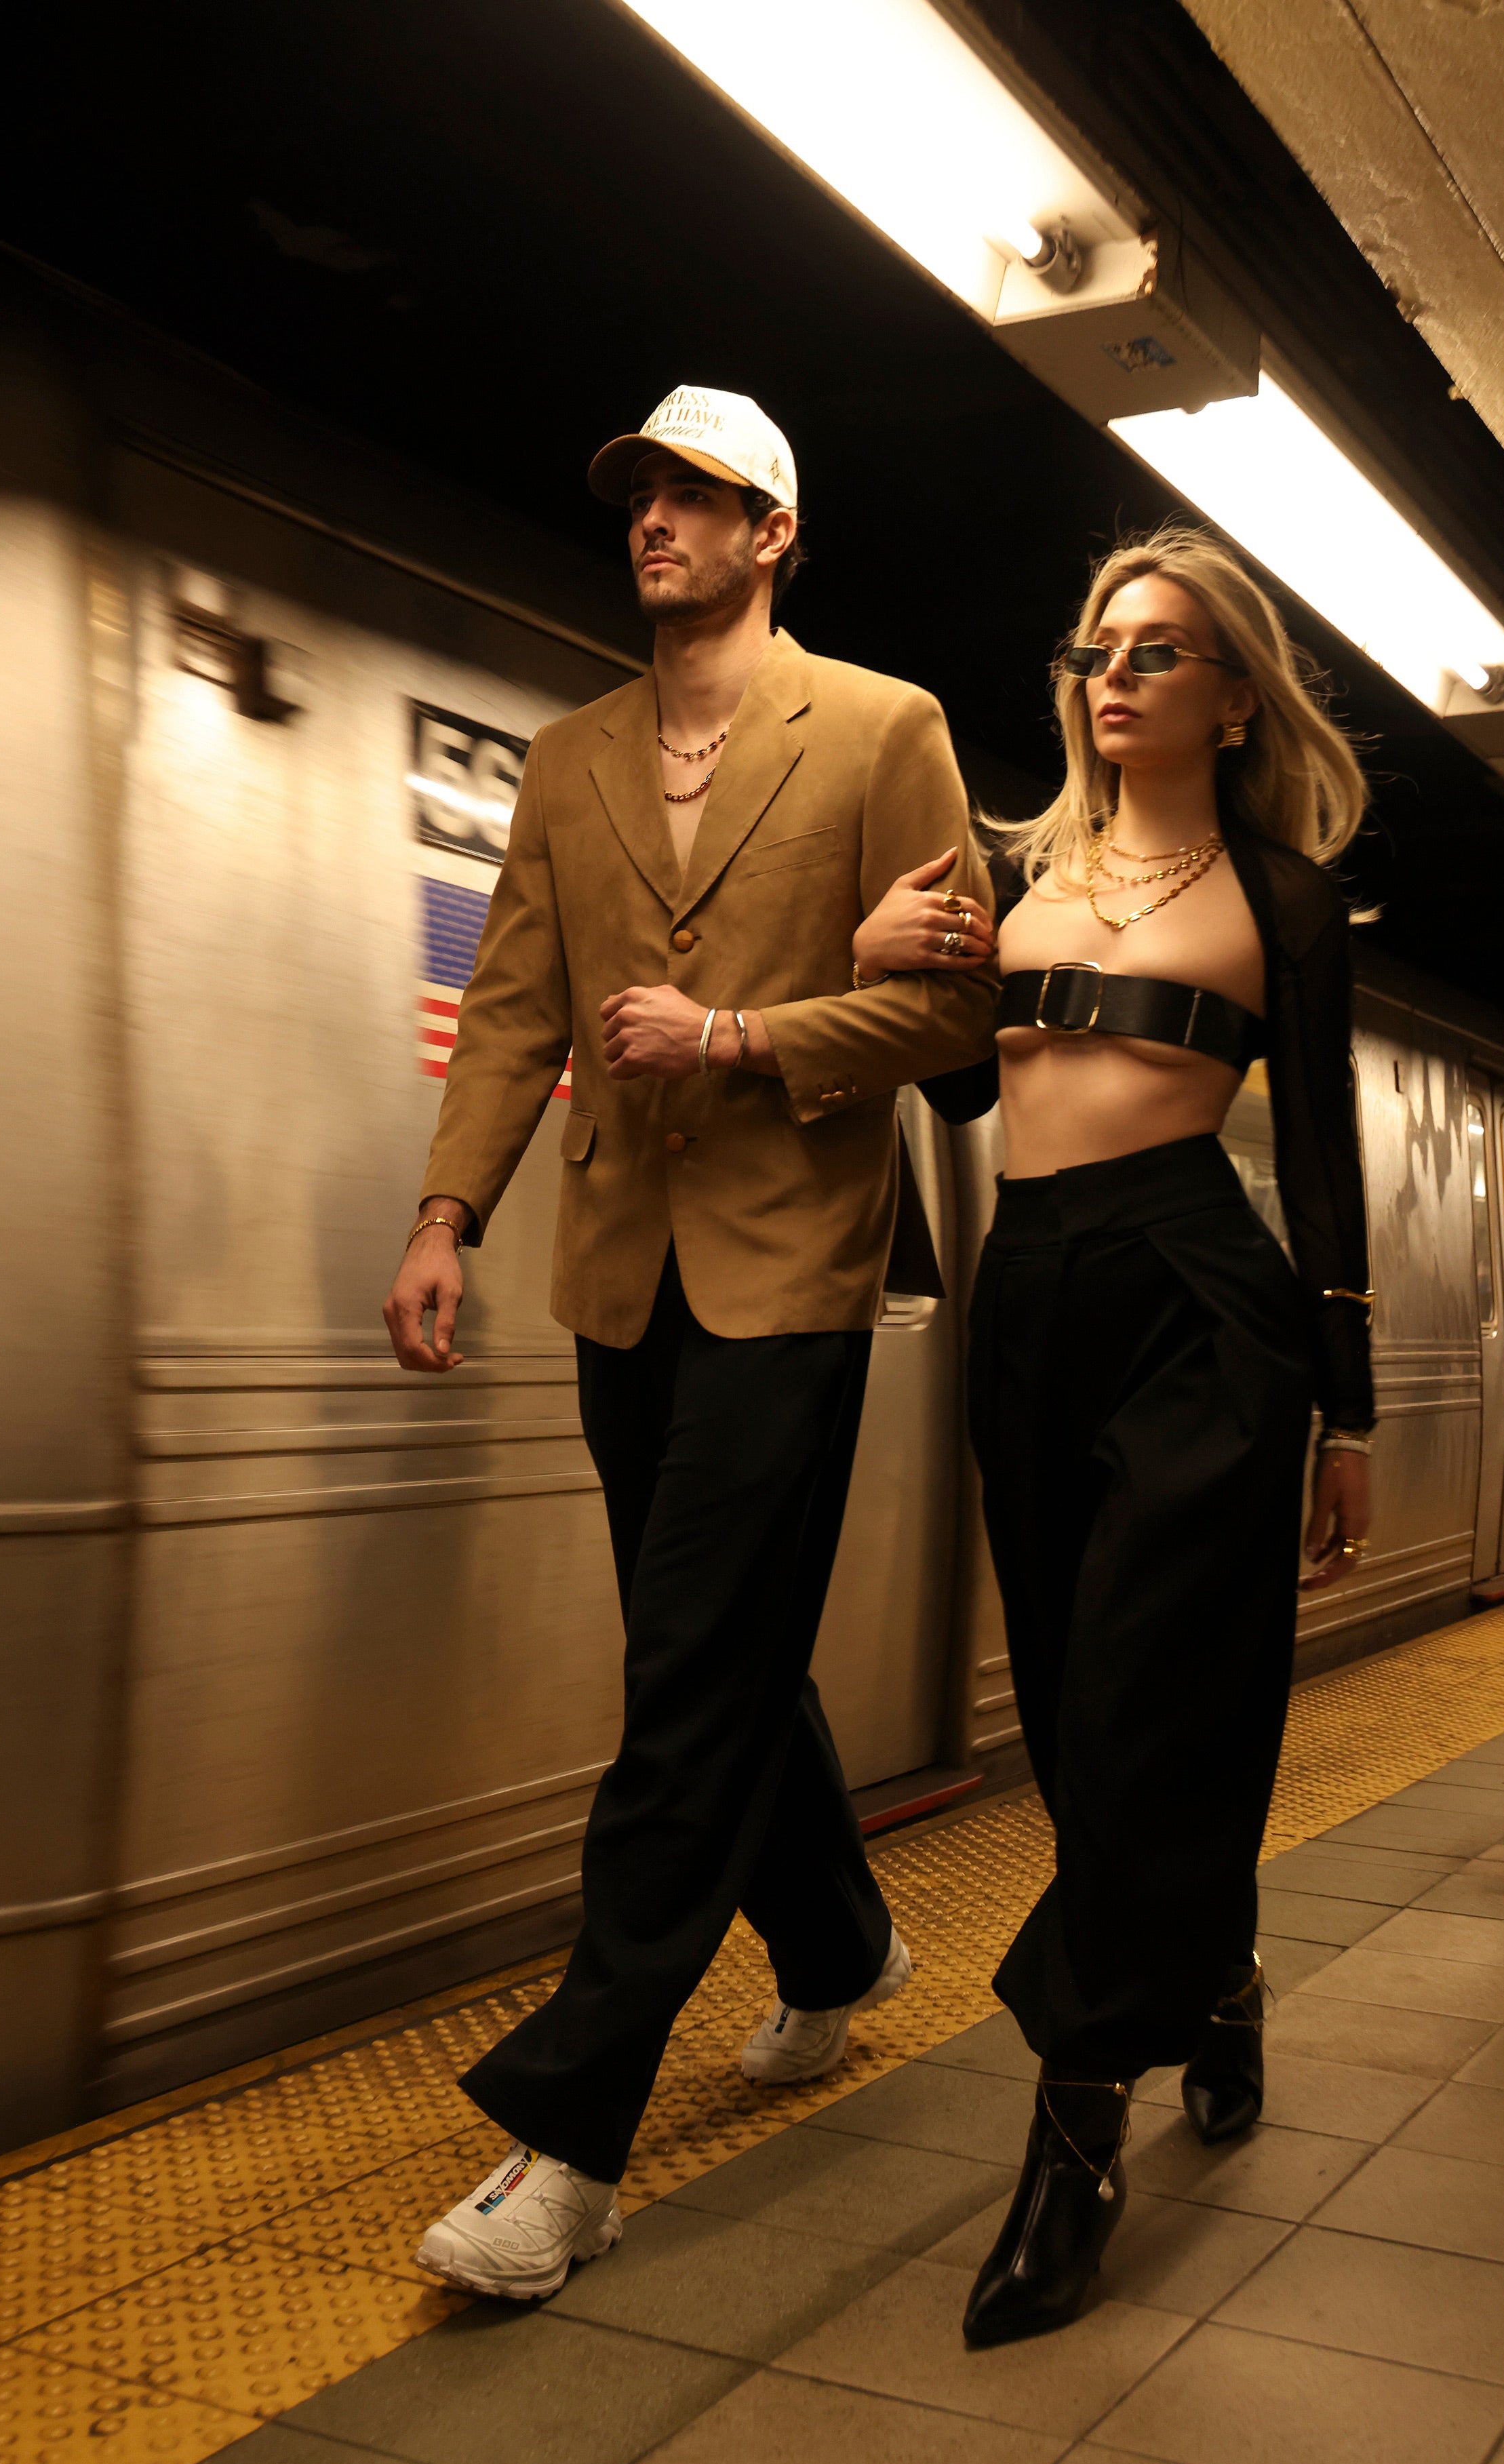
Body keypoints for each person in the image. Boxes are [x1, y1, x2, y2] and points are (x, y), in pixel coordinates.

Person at [380, 385, 996, 2300]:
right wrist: (448, 1215)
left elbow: (959, 1028)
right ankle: (838, 1947)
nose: (654, 517)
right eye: (640, 492)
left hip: (792, 1270)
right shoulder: (570, 757)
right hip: (617, 1271)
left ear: (773, 532)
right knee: (708, 1652)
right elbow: (513, 1010)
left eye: (697, 494)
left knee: (683, 1686)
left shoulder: (883, 730)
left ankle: (569, 2142)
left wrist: (739, 1036)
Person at [850, 524, 1374, 2347]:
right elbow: (952, 1083)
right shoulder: (1010, 874)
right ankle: (1213, 1967)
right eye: (1097, 648)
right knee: (1080, 1710)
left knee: (1147, 1694)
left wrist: (1351, 1411)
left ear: (1234, 698)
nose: (1115, 674)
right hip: (1032, 1295)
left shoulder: (1286, 899)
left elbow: (1324, 1159)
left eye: (1158, 649)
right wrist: (875, 952)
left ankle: (1076, 2136)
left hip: (1200, 1296)